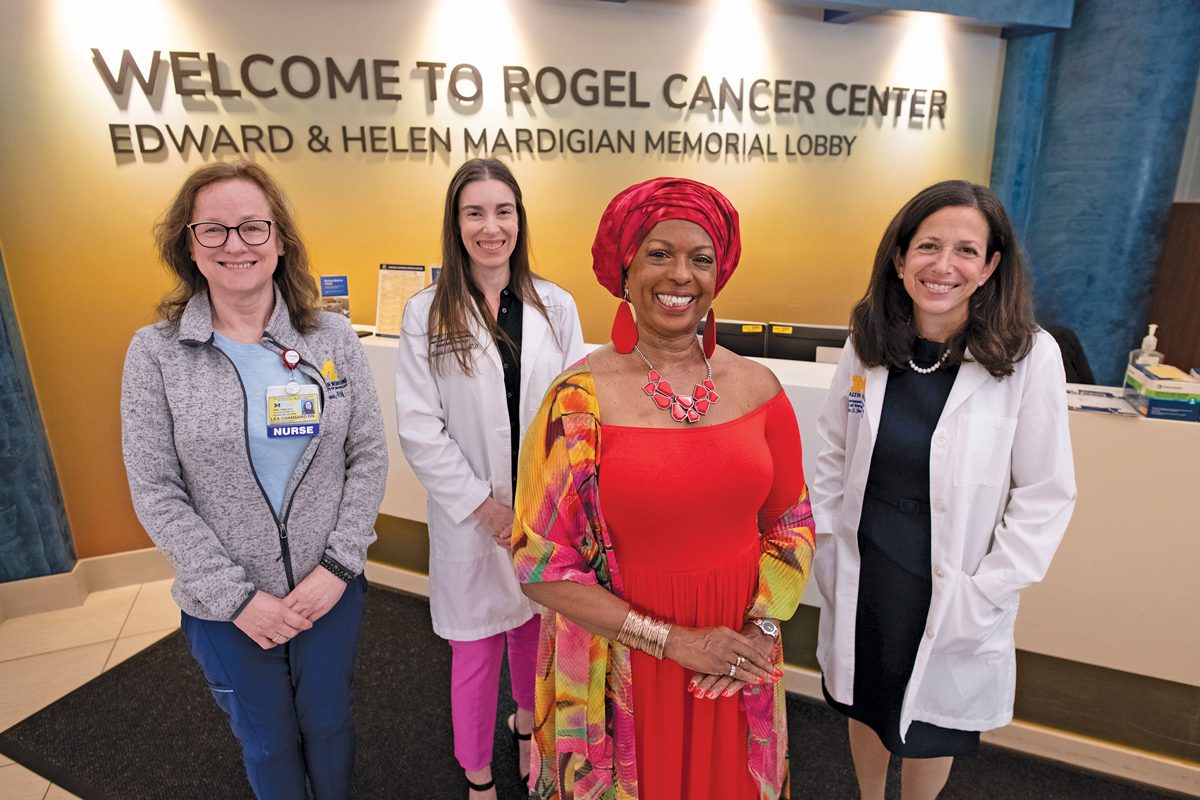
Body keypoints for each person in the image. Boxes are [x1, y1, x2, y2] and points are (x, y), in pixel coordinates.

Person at [511, 177, 816, 799]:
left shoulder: (759, 388)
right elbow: (540, 568)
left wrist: (757, 635)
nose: (681, 274)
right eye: (659, 253)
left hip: (736, 656)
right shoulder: (576, 402)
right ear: (625, 270)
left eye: (700, 259)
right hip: (622, 661)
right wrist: (674, 641)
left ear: (717, 276)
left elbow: (792, 522)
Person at [121, 161, 387, 800]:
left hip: (328, 590)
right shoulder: (156, 353)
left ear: (279, 239)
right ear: (189, 243)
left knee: (328, 724)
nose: (235, 245)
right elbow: (156, 488)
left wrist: (337, 566)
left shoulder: (331, 338)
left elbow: (368, 455)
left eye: (251, 227)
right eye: (213, 230)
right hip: (226, 607)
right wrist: (236, 598)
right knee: (267, 738)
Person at [811, 180, 1077, 799]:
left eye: (965, 250)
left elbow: (1045, 492)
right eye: (928, 246)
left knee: (930, 721)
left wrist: (988, 590)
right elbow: (832, 451)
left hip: (952, 579)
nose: (944, 265)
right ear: (901, 259)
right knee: (868, 704)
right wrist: (825, 540)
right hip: (866, 566)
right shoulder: (868, 343)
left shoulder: (1029, 356)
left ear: (989, 267)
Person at [394, 158, 586, 799]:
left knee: (534, 636)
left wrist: (541, 506)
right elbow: (420, 428)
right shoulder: (426, 313)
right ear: (456, 223)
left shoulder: (556, 307)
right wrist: (487, 508)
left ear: (519, 220)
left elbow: (574, 416)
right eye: (474, 212)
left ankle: (529, 735)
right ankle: (478, 777)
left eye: (502, 211)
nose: (490, 226)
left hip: (541, 514)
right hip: (471, 522)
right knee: (475, 653)